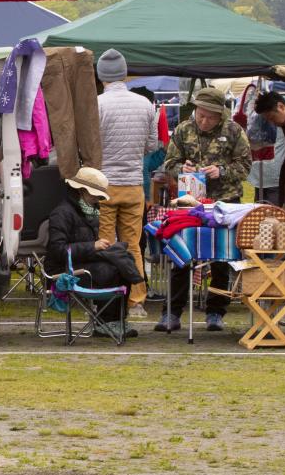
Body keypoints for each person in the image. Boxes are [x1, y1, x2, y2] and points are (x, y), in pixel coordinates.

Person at [159, 87, 251, 333]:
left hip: (225, 204)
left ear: (220, 114)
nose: (204, 120)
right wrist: (182, 169)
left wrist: (222, 171)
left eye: (210, 116)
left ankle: (215, 312)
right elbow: (169, 163)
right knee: (181, 254)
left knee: (222, 258)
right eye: (201, 115)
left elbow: (245, 166)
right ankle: (172, 312)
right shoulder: (182, 130)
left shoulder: (234, 131)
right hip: (189, 202)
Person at [95, 49, 159, 319]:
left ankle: (110, 298)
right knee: (133, 244)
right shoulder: (145, 104)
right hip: (134, 184)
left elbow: (91, 145)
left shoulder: (96, 104)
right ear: (124, 73)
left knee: (106, 243)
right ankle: (137, 301)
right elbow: (152, 145)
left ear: (101, 76)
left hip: (105, 184)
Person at [45, 167, 141, 339]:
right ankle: (106, 321)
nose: (98, 199)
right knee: (111, 270)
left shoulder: (88, 211)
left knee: (123, 263)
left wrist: (99, 248)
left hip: (80, 264)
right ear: (82, 191)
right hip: (62, 270)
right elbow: (57, 251)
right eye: (96, 195)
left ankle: (115, 320)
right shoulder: (62, 213)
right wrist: (93, 246)